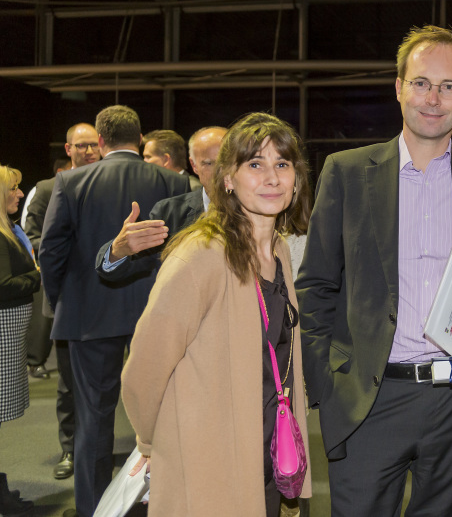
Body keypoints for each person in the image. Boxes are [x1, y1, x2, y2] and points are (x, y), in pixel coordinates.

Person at [296, 25, 452, 517]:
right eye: (421, 83)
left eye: (448, 86)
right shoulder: (346, 172)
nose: (433, 99)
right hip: (369, 400)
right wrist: (327, 385)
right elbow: (316, 285)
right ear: (398, 88)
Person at [121, 112, 312, 516]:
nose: (272, 178)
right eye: (255, 165)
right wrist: (153, 443)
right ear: (228, 179)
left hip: (267, 449)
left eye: (282, 164)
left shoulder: (279, 251)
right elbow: (144, 369)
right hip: (209, 460)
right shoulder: (201, 254)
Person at [39, 105, 191, 517]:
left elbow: (51, 252)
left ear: (101, 141)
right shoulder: (175, 181)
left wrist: (61, 301)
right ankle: (167, 504)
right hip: (160, 315)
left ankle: (92, 510)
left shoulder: (69, 182)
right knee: (165, 415)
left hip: (88, 316)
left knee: (92, 418)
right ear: (140, 139)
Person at [23, 124, 102, 481]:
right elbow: (32, 239)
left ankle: (100, 450)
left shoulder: (108, 184)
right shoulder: (46, 189)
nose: (87, 151)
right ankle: (70, 448)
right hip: (67, 299)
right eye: (80, 145)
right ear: (68, 149)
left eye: (92, 145)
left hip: (110, 298)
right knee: (69, 382)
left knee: (113, 379)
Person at [95, 126, 227, 281]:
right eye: (209, 163)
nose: (220, 171)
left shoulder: (253, 209)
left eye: (227, 162)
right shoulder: (169, 213)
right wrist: (118, 250)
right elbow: (125, 267)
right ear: (194, 165)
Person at [0, 165, 38, 515]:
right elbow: (3, 286)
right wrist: (37, 276)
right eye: (13, 188)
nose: (20, 194)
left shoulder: (9, 228)